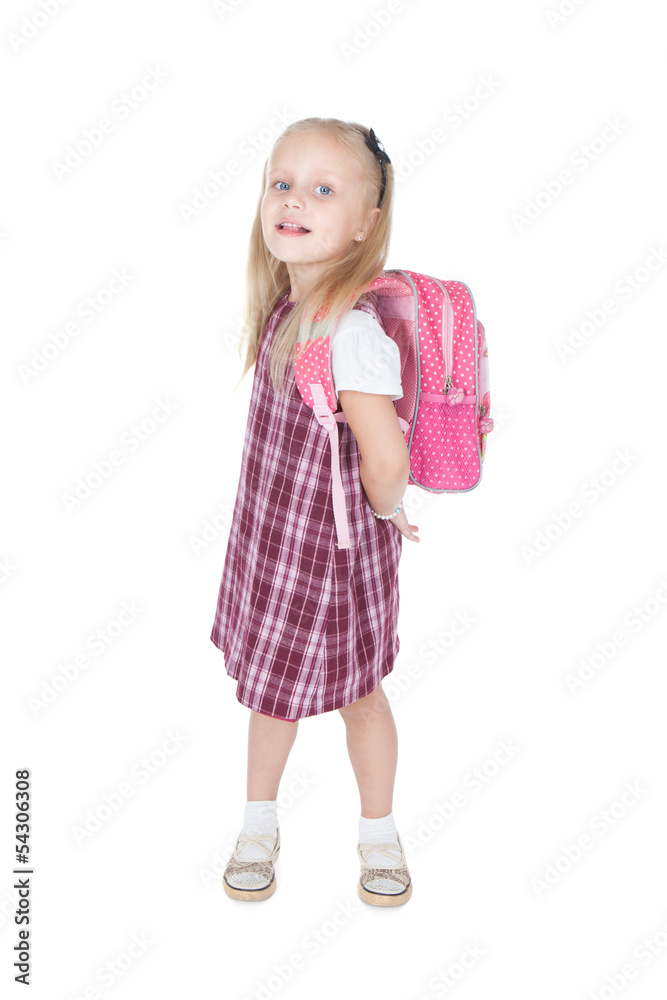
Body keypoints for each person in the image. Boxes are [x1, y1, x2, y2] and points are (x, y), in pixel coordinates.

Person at [210, 117, 419, 907]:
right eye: (282, 182)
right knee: (270, 692)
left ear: (366, 223)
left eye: (323, 189)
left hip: (335, 559)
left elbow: (384, 459)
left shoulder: (350, 334)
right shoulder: (282, 309)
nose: (293, 199)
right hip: (276, 546)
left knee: (359, 695)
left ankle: (378, 833)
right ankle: (257, 823)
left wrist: (388, 511)